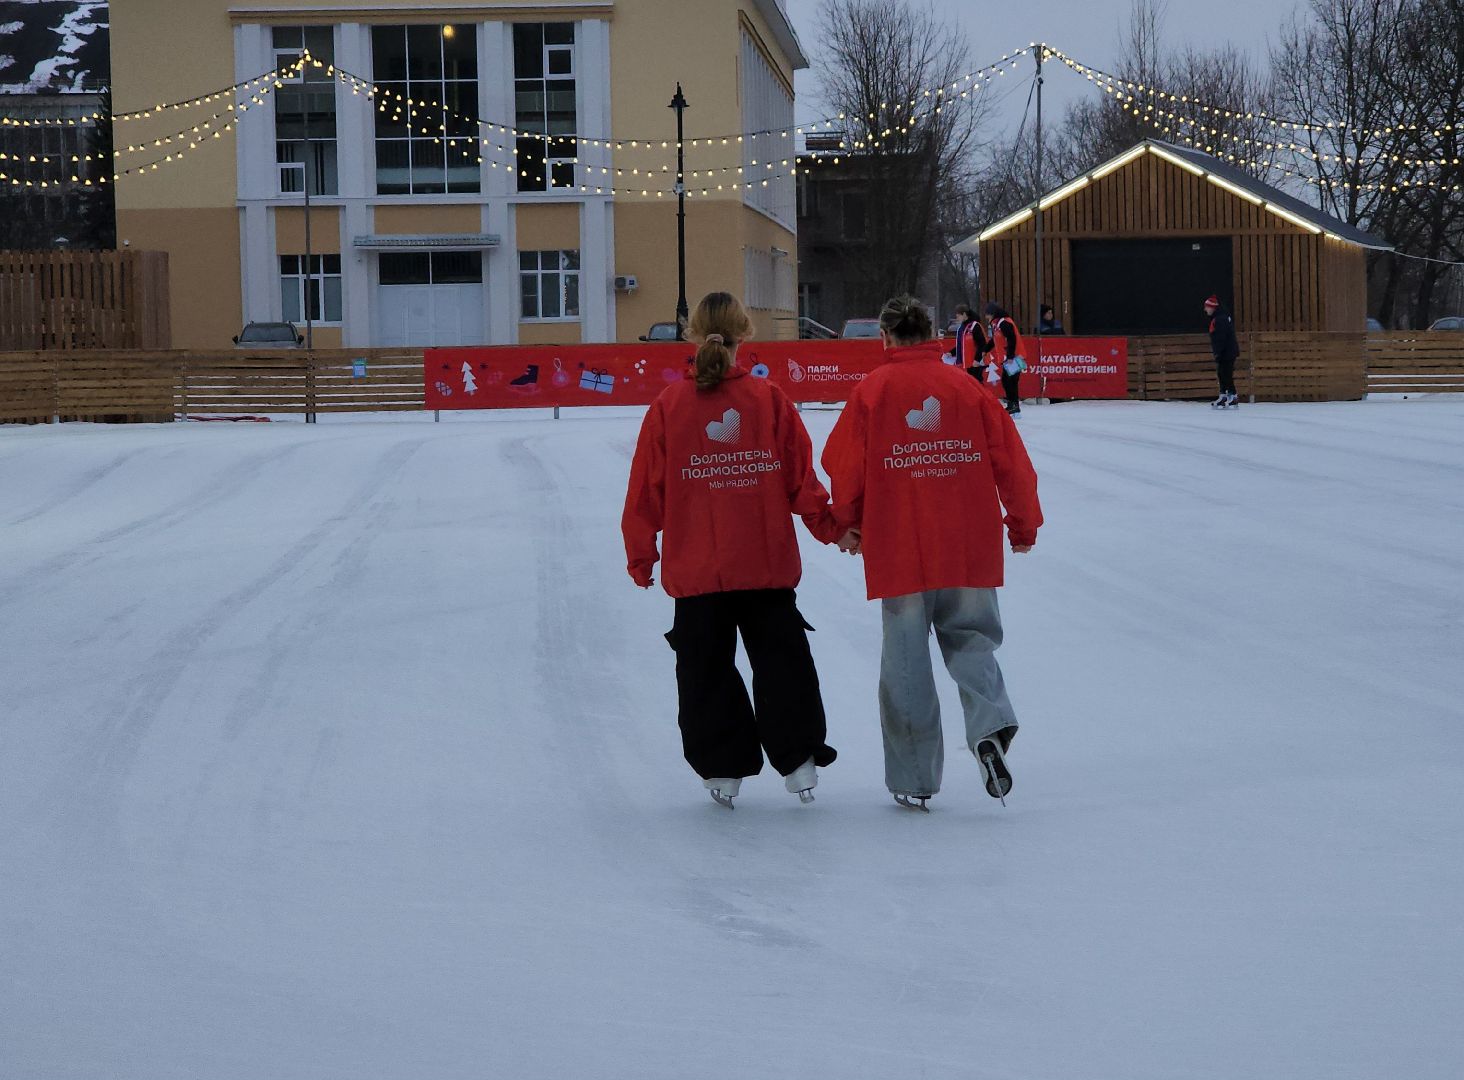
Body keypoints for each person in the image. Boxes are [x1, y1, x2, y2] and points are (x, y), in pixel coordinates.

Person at [622, 291, 850, 809]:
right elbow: (801, 480)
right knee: (782, 663)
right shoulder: (768, 399)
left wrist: (641, 554)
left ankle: (722, 767)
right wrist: (832, 528)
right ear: (745, 334)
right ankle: (799, 758)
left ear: (692, 335)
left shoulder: (670, 406)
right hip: (765, 565)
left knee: (704, 671)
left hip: (697, 571)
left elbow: (644, 491)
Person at [821, 295, 1043, 812]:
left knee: (906, 661)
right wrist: (1023, 524)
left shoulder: (872, 391)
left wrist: (846, 523)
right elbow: (1012, 462)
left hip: (900, 545)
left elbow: (844, 466)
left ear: (885, 337)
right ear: (932, 335)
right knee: (972, 640)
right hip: (967, 541)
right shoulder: (966, 387)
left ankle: (915, 777)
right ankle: (989, 728)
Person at [985, 301, 1025, 415]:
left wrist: (1010, 356)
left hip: (1014, 357)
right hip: (1011, 357)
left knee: (1009, 381)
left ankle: (1014, 405)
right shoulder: (998, 324)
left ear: (992, 313)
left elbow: (1012, 338)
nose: (986, 317)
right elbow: (994, 340)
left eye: (987, 314)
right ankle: (1013, 405)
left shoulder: (1004, 323)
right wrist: (985, 349)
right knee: (1008, 381)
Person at [1204, 294, 1240, 408]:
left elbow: (1220, 338)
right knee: (1221, 373)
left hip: (1227, 352)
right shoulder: (1219, 318)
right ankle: (1223, 395)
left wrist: (1218, 352)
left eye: (1207, 307)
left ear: (1213, 308)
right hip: (1226, 351)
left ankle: (1233, 396)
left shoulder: (1220, 319)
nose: (1205, 310)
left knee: (1226, 374)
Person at [946, 302, 993, 375]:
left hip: (975, 363)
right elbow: (962, 345)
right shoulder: (962, 328)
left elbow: (982, 344)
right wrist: (951, 352)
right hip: (965, 363)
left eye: (958, 316)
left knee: (976, 380)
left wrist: (977, 359)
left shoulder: (975, 326)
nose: (957, 318)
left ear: (964, 314)